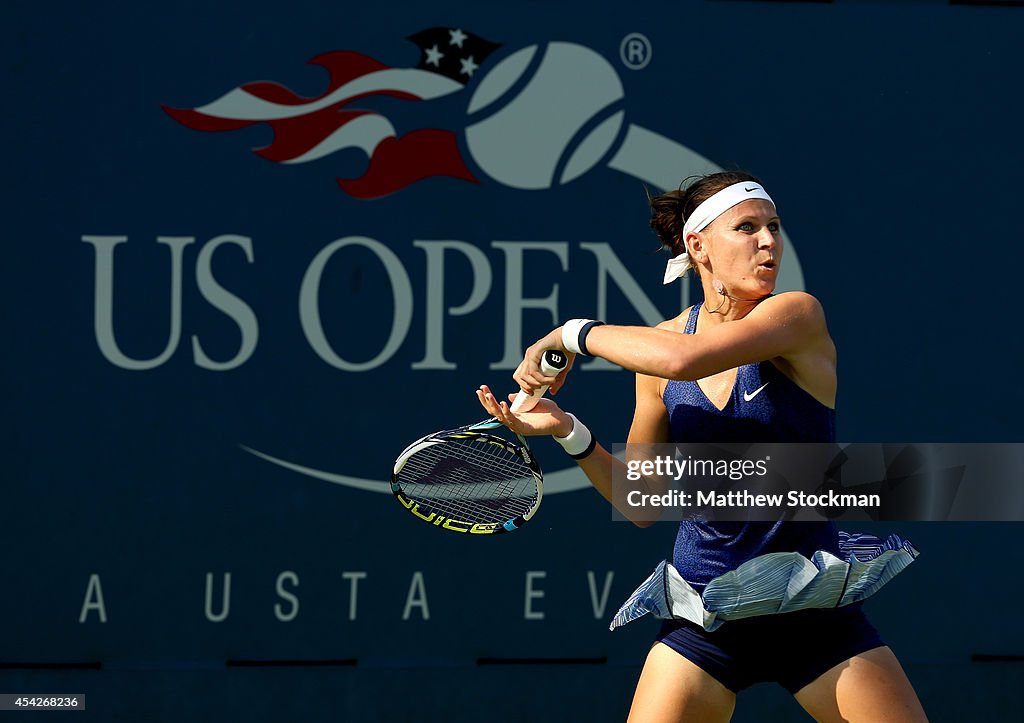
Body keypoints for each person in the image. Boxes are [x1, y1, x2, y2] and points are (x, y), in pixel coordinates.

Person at [476, 171, 928, 722]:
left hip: (815, 617)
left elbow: (684, 359)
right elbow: (639, 504)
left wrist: (570, 332)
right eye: (747, 228)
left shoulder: (796, 315)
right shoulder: (655, 360)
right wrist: (569, 431)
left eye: (774, 227)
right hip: (705, 622)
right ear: (698, 247)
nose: (769, 242)